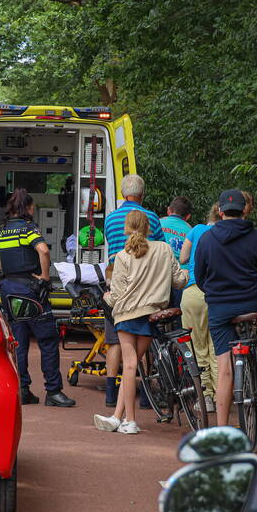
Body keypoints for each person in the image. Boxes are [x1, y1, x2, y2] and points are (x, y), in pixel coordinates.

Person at [195, 189, 257, 427]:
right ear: (244, 210)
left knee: (224, 370)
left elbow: (200, 277)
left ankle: (222, 428)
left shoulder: (206, 238)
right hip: (252, 301)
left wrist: (216, 295)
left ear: (221, 211)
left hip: (219, 308)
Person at [95, 211, 187, 434]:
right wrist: (185, 273)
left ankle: (130, 421)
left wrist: (106, 298)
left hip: (127, 315)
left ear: (126, 228)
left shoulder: (122, 256)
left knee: (128, 366)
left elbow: (116, 294)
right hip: (152, 315)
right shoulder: (164, 249)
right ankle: (117, 416)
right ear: (149, 228)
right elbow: (178, 281)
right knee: (133, 364)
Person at [0, 188, 75, 407]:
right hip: (30, 291)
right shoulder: (28, 229)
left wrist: (6, 268)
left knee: (20, 341)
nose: (34, 209)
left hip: (9, 289)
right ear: (27, 207)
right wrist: (44, 277)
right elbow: (43, 251)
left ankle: (23, 389)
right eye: (33, 205)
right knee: (47, 340)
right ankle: (53, 392)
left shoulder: (2, 231)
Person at [101, 173, 165, 407]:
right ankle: (146, 395)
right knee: (143, 344)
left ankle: (110, 393)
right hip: (145, 285)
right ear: (142, 194)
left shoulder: (110, 219)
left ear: (122, 193)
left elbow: (112, 248)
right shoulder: (152, 218)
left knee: (114, 341)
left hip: (117, 280)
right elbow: (158, 246)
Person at [178, 202, 219, 412]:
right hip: (218, 294)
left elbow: (183, 257)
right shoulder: (225, 233)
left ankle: (206, 397)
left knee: (198, 346)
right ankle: (223, 395)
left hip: (194, 290)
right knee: (217, 347)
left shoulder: (196, 230)